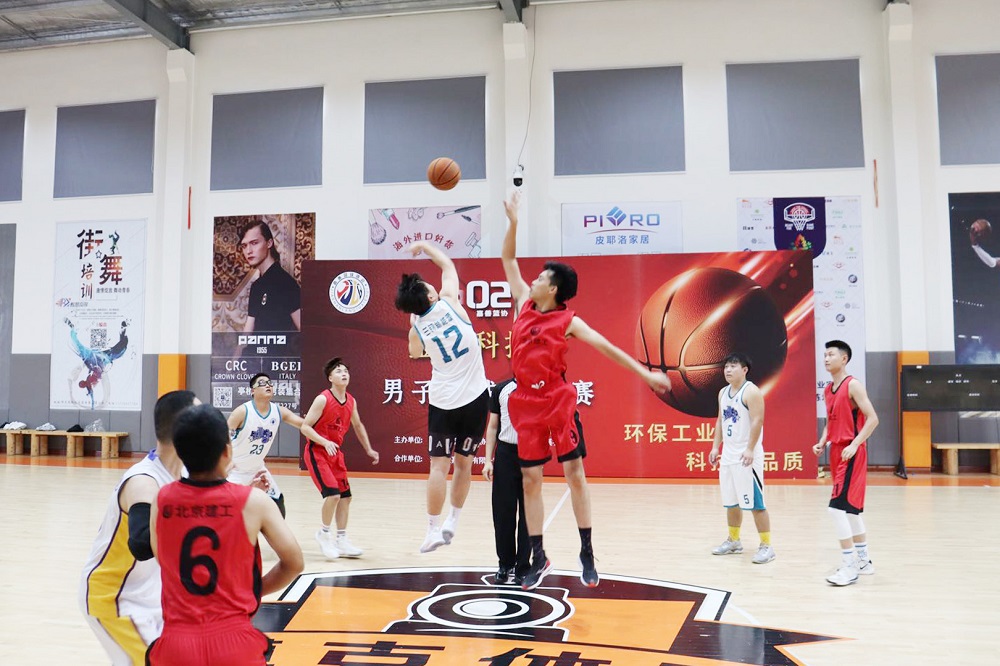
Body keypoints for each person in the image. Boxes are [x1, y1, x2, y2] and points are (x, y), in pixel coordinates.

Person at [501, 191, 671, 590]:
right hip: (524, 402)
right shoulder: (523, 302)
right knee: (531, 481)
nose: (533, 280)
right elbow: (508, 259)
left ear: (553, 290)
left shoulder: (569, 321)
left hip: (557, 400)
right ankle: (539, 556)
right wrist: (514, 222)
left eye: (541, 278)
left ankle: (587, 551)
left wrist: (646, 374)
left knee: (575, 474)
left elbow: (607, 348)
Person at [147, 404, 303, 665]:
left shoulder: (161, 499)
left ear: (180, 453)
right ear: (227, 451)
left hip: (176, 641)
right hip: (233, 640)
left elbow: (163, 558)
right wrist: (254, 590)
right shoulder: (255, 502)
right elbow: (294, 563)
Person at [79, 390, 196, 665]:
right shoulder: (143, 481)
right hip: (117, 596)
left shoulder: (184, 473)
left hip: (153, 592)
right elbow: (142, 543)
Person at [394, 240, 491, 554]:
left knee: (438, 467)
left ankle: (432, 530)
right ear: (431, 295)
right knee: (464, 464)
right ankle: (453, 520)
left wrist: (416, 324)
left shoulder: (416, 329)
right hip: (475, 398)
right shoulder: (450, 301)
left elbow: (415, 353)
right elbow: (447, 265)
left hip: (443, 401)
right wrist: (424, 245)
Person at [812, 339, 879, 587]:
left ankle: (849, 566)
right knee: (850, 510)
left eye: (831, 354)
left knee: (836, 509)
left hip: (851, 452)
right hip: (837, 451)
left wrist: (854, 444)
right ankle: (863, 561)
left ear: (844, 358)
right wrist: (822, 442)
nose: (826, 359)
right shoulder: (828, 389)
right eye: (825, 355)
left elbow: (873, 419)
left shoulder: (853, 385)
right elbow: (831, 422)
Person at [299, 357, 379, 560]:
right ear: (330, 378)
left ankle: (341, 539)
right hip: (317, 451)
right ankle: (324, 534)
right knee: (333, 496)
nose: (344, 374)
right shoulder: (323, 399)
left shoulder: (351, 401)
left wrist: (369, 449)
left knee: (346, 497)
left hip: (335, 454)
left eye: (345, 371)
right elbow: (305, 427)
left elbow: (358, 425)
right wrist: (324, 441)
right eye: (338, 371)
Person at [708, 353, 775, 565]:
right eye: (726, 366)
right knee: (731, 502)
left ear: (744, 370)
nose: (728, 370)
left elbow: (758, 421)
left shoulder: (751, 391)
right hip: (728, 456)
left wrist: (750, 449)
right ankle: (734, 541)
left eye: (733, 366)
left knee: (756, 504)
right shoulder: (722, 392)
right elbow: (720, 421)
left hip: (747, 457)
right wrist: (715, 447)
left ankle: (766, 546)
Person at [226, 372, 307, 518]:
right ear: (253, 390)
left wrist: (317, 418)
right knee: (231, 512)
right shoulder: (242, 412)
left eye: (269, 383)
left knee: (277, 504)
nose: (268, 385)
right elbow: (223, 439)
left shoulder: (278, 411)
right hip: (236, 471)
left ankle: (274, 531)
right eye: (262, 383)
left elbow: (303, 424)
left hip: (257, 469)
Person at [483, 377, 531, 586]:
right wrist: (488, 460)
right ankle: (505, 564)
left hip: (531, 455)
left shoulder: (541, 389)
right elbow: (493, 426)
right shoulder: (501, 389)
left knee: (529, 515)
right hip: (505, 454)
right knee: (503, 513)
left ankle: (523, 567)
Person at [239, 220, 301, 332]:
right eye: (244, 246)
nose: (248, 251)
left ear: (269, 243)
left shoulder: (286, 283)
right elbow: (247, 335)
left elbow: (306, 333)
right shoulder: (256, 286)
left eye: (254, 243)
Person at [65, 318, 129, 409]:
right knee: (121, 349)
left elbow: (91, 387)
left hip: (96, 359)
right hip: (102, 359)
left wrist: (91, 400)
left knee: (76, 344)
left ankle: (73, 328)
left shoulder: (89, 378)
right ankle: (123, 331)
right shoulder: (91, 379)